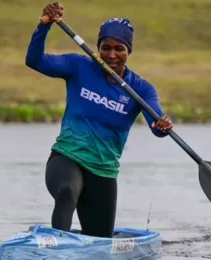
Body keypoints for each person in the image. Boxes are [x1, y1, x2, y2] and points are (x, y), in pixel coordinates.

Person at [25, 2, 173, 238]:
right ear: (97, 48)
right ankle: (56, 247)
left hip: (103, 172)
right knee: (67, 192)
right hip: (67, 158)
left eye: (119, 49)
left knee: (100, 238)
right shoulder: (79, 66)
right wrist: (43, 26)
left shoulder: (141, 90)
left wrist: (163, 125)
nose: (111, 55)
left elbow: (157, 128)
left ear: (129, 52)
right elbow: (35, 61)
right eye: (105, 48)